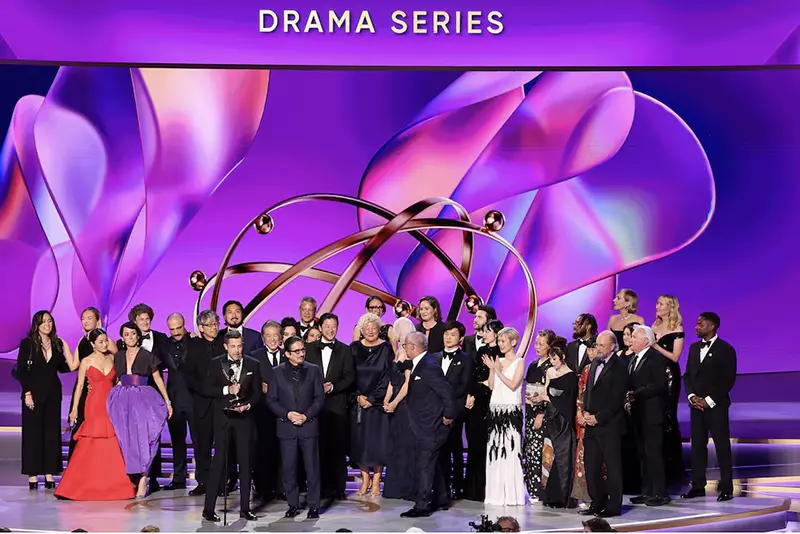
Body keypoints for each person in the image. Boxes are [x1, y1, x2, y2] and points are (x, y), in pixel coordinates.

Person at [55, 329, 135, 501]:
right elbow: (80, 387)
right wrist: (74, 409)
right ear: (92, 344)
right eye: (100, 342)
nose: (105, 344)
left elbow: (119, 380)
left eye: (106, 341)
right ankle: (78, 485)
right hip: (93, 405)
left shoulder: (113, 359)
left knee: (111, 441)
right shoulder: (86, 361)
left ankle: (114, 485)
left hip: (110, 405)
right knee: (91, 440)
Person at [201, 330, 262, 521]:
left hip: (244, 420)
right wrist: (228, 390)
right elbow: (206, 388)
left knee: (246, 463)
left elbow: (258, 393)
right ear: (226, 346)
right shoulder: (215, 363)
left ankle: (245, 508)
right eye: (233, 346)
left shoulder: (253, 364)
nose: (237, 350)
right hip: (223, 419)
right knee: (219, 463)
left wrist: (249, 405)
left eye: (240, 346)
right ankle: (208, 509)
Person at [107, 322, 172, 498]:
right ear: (122, 337)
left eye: (133, 334)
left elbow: (158, 378)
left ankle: (143, 478)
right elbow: (119, 379)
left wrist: (167, 401)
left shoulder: (147, 355)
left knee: (146, 439)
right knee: (126, 440)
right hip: (123, 400)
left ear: (138, 336)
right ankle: (131, 479)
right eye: (126, 334)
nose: (130, 337)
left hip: (143, 399)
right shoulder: (119, 356)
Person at [18, 310, 78, 490]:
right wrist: (27, 393)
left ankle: (50, 473)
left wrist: (66, 347)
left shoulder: (57, 343)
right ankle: (33, 475)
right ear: (36, 324)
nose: (47, 324)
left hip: (53, 393)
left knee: (52, 434)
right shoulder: (27, 343)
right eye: (44, 321)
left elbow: (67, 367)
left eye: (50, 321)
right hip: (33, 394)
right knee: (33, 433)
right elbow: (22, 370)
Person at [267, 336, 325, 519]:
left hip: (308, 426)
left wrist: (305, 416)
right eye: (297, 351)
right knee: (289, 469)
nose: (301, 353)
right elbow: (271, 400)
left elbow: (319, 398)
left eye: (303, 350)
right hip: (287, 427)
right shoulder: (276, 372)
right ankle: (293, 504)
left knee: (312, 468)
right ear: (287, 354)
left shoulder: (314, 370)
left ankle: (314, 505)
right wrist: (287, 415)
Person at [682, 312, 737, 502]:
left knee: (722, 446)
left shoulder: (726, 349)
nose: (696, 326)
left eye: (700, 323)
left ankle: (727, 487)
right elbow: (688, 375)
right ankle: (698, 486)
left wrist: (709, 400)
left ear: (712, 326)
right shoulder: (694, 348)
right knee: (697, 445)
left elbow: (728, 379)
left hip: (716, 406)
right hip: (695, 406)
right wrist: (691, 396)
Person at [400, 332, 455, 517]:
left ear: (414, 347)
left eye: (405, 344)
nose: (404, 347)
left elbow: (446, 393)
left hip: (431, 425)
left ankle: (422, 506)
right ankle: (441, 498)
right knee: (432, 462)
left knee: (424, 464)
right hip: (423, 424)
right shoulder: (421, 363)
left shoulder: (429, 366)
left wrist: (448, 416)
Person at [304, 312, 354, 500]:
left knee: (338, 449)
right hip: (313, 407)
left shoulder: (345, 350)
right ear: (320, 327)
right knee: (317, 449)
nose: (330, 329)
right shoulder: (308, 349)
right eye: (327, 326)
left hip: (337, 406)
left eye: (334, 326)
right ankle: (320, 488)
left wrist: (333, 386)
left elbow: (350, 377)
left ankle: (339, 488)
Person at [580, 331, 626, 518]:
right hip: (591, 425)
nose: (597, 348)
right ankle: (597, 502)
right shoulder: (593, 365)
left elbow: (616, 399)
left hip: (609, 426)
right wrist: (585, 413)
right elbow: (588, 393)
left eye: (601, 345)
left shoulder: (620, 367)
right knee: (591, 466)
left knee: (613, 467)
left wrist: (599, 417)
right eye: (597, 345)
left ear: (612, 347)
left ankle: (614, 506)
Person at [182, 310, 225, 496]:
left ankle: (223, 482)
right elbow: (188, 375)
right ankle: (203, 481)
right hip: (201, 402)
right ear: (201, 328)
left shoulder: (224, 345)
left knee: (223, 444)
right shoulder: (193, 347)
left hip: (222, 402)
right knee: (203, 445)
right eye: (210, 325)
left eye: (216, 323)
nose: (214, 328)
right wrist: (203, 390)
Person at [626, 325, 670, 507]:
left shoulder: (656, 358)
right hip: (638, 414)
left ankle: (660, 493)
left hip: (652, 415)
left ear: (645, 341)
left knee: (654, 454)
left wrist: (636, 393)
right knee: (643, 454)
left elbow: (658, 385)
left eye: (634, 337)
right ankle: (647, 491)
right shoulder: (633, 359)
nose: (630, 340)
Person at [349, 313, 392, 497]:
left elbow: (388, 377)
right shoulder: (353, 348)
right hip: (357, 404)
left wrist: (373, 399)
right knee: (360, 444)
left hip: (377, 405)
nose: (371, 331)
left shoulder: (386, 348)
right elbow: (349, 375)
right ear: (361, 330)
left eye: (374, 328)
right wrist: (358, 396)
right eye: (367, 328)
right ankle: (365, 479)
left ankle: (376, 480)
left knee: (377, 444)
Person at [484, 327, 526, 506]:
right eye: (499, 341)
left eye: (503, 341)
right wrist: (492, 370)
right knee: (496, 451)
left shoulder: (520, 361)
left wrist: (497, 370)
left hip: (510, 412)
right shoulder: (497, 360)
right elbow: (493, 386)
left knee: (510, 451)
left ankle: (511, 495)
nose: (500, 344)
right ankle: (496, 495)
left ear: (513, 342)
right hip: (495, 410)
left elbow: (514, 385)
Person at [69, 307, 117, 459]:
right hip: (85, 389)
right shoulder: (82, 341)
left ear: (98, 321)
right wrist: (63, 345)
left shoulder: (106, 341)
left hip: (105, 391)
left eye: (90, 318)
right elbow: (73, 365)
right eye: (83, 318)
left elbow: (120, 360)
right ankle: (77, 464)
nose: (86, 321)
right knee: (81, 427)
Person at [434, 320, 474, 499]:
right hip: (434, 409)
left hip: (455, 408)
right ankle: (441, 486)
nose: (448, 338)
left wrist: (446, 400)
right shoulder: (433, 357)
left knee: (455, 448)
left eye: (453, 335)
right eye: (446, 334)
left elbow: (463, 385)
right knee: (438, 450)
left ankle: (458, 486)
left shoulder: (466, 359)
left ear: (461, 338)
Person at [382, 317, 417, 500]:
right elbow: (391, 381)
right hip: (394, 405)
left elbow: (407, 384)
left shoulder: (411, 355)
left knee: (406, 446)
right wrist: (387, 400)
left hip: (405, 405)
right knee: (395, 447)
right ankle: (395, 488)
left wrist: (395, 402)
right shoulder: (396, 353)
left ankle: (407, 487)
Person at [540, 341, 578, 508]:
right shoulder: (550, 372)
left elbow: (567, 400)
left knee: (563, 457)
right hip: (551, 417)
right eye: (551, 359)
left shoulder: (570, 376)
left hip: (563, 419)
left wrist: (547, 398)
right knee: (549, 456)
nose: (552, 362)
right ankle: (550, 495)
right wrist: (541, 398)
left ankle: (563, 496)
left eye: (554, 359)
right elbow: (546, 391)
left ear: (562, 357)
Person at [161, 313, 194, 491]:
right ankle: (179, 478)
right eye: (172, 329)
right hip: (174, 400)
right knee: (177, 442)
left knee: (199, 441)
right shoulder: (164, 344)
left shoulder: (196, 341)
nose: (176, 332)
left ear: (184, 324)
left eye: (178, 328)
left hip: (194, 399)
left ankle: (204, 479)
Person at [522, 328, 554, 500]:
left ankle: (543, 490)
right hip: (530, 410)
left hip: (543, 413)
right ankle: (533, 489)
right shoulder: (534, 365)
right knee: (530, 451)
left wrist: (541, 413)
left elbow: (548, 392)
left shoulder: (551, 366)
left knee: (542, 452)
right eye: (536, 343)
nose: (537, 346)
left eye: (542, 344)